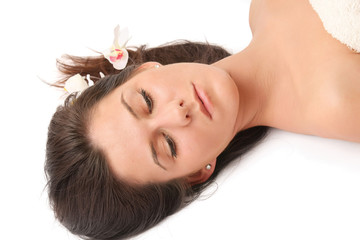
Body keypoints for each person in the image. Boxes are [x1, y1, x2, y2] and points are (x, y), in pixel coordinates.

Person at [45, 0, 360, 239]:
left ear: (144, 70)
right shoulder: (340, 104)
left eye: (146, 101)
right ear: (197, 171)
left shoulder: (263, 7)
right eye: (168, 144)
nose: (177, 112)